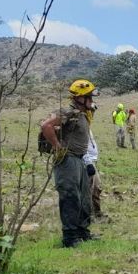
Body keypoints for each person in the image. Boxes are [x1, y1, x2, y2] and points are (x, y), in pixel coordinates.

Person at [40, 79, 100, 248]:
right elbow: (46, 125)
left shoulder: (82, 114)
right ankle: (70, 237)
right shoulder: (68, 112)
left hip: (79, 159)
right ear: (80, 98)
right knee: (70, 197)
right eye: (89, 97)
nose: (92, 101)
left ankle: (83, 232)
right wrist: (57, 146)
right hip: (68, 160)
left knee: (85, 198)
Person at [83, 128, 107, 220]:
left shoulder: (87, 124)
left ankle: (97, 213)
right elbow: (80, 145)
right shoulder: (80, 124)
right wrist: (88, 162)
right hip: (87, 161)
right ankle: (88, 215)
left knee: (96, 187)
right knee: (90, 188)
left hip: (92, 160)